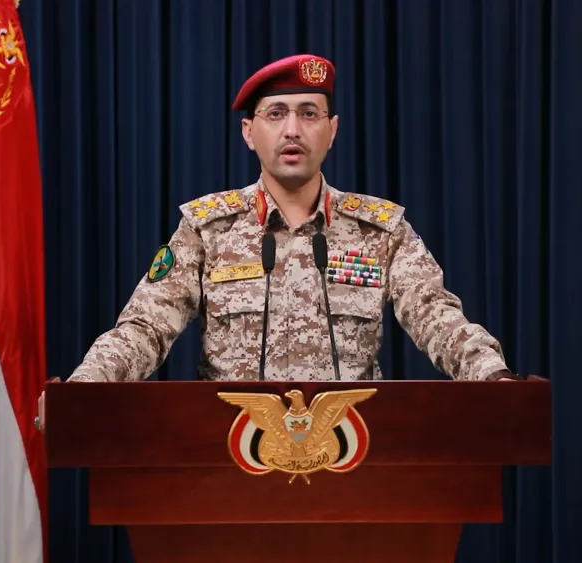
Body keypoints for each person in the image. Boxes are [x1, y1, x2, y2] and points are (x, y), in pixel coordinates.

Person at [35, 54, 521, 430]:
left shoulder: (380, 230)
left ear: (332, 130)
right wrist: (84, 389)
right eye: (276, 114)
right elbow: (145, 327)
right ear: (249, 132)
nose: (292, 130)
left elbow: (437, 316)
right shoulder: (208, 228)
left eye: (309, 113)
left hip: (354, 456)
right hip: (229, 456)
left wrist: (492, 377)